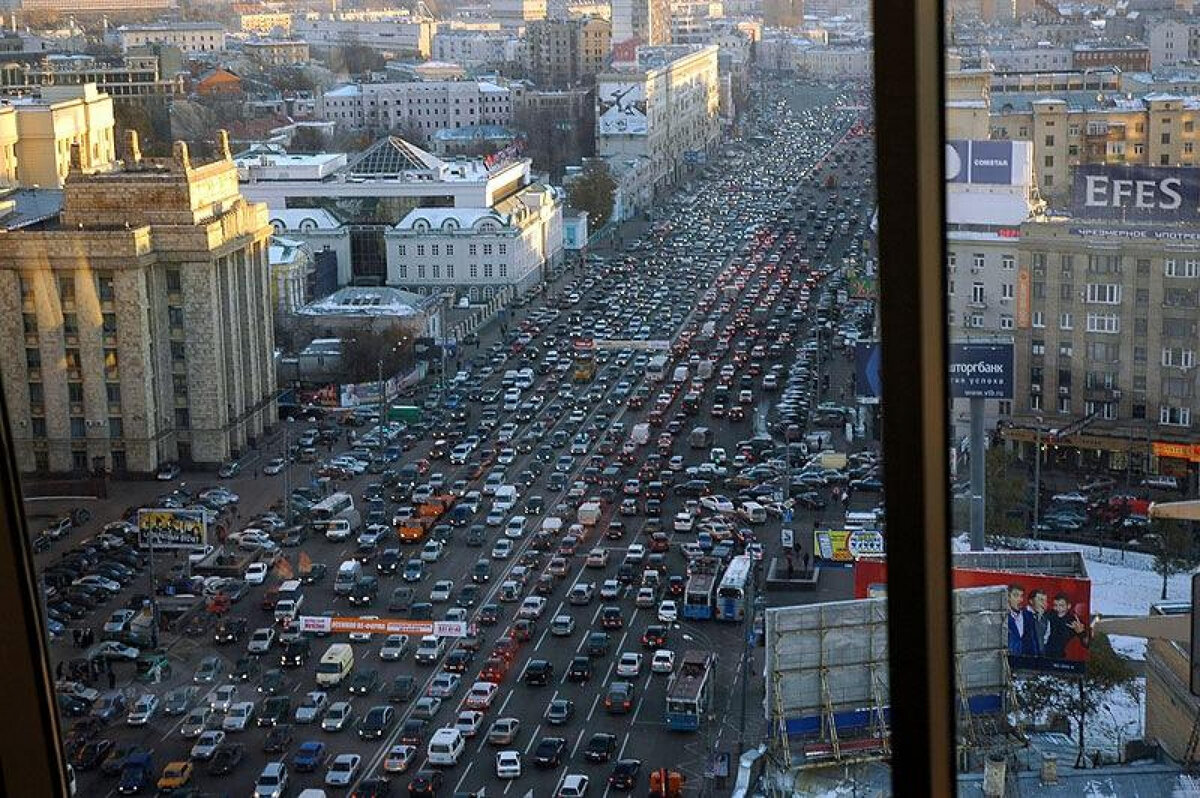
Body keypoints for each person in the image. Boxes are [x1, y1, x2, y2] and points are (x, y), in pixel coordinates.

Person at [1045, 593, 1089, 659]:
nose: (1058, 608)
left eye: (1061, 605)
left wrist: (1081, 633)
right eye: (1055, 605)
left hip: (1059, 658)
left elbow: (1087, 644)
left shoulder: (1074, 622)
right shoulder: (1048, 615)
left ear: (1069, 606)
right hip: (1040, 655)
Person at [1006, 584, 1037, 656]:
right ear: (1007, 597)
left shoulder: (1028, 616)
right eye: (1016, 595)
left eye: (1022, 596)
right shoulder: (1002, 616)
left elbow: (1033, 641)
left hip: (1026, 661)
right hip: (1009, 660)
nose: (1020, 600)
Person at [1029, 589, 1051, 656]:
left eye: (1045, 601)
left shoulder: (1046, 621)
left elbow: (1044, 641)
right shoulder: (1021, 615)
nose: (1044, 603)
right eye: (1041, 600)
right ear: (1031, 601)